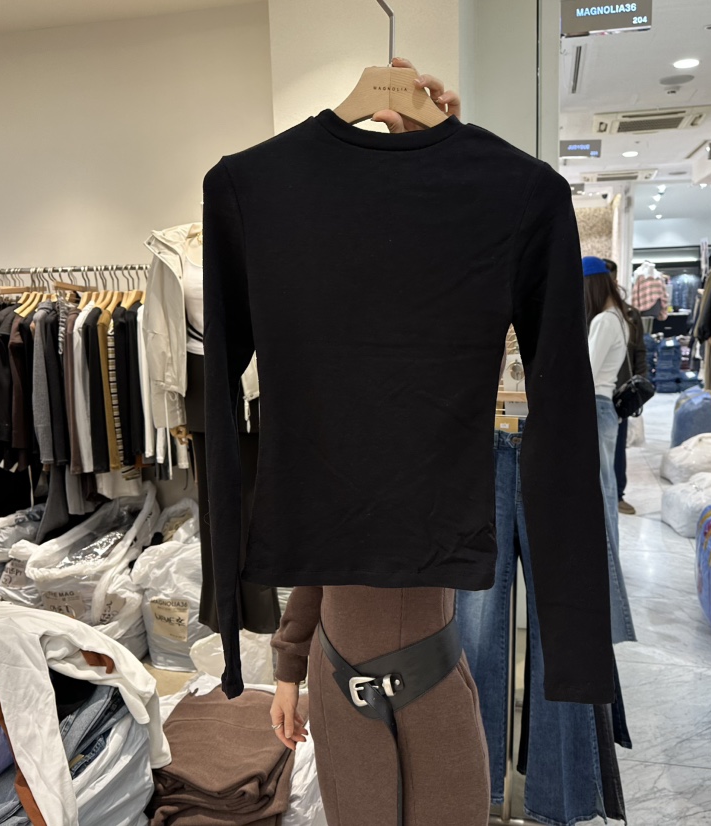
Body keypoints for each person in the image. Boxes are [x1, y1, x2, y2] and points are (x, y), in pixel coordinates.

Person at [267, 60, 491, 826]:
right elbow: (317, 551)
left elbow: (475, 264)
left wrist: (447, 153)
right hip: (338, 673)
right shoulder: (320, 398)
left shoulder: (446, 380)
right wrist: (288, 668)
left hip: (430, 673)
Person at [583, 256, 637, 644]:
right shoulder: (619, 317)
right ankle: (609, 570)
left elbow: (585, 370)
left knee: (602, 494)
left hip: (596, 407)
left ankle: (607, 574)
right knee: (604, 491)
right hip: (604, 410)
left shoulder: (604, 321)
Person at [603, 259, 647, 516]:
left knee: (618, 445)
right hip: (596, 391)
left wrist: (640, 384)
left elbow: (639, 351)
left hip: (620, 391)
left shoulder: (630, 315)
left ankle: (618, 494)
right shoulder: (586, 312)